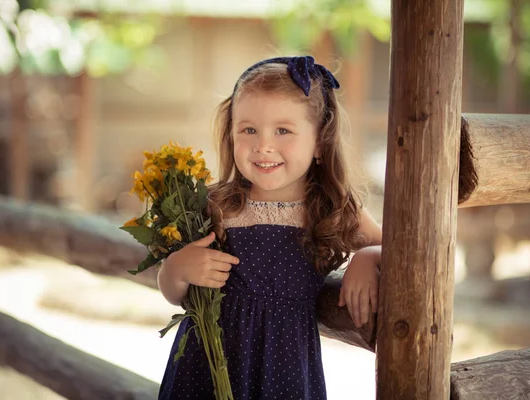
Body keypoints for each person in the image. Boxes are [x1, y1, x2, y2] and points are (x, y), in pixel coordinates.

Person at [157, 55, 382, 400]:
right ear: (231, 135)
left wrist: (368, 256)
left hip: (283, 369)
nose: (263, 146)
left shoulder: (330, 210)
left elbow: (399, 247)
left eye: (283, 130)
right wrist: (177, 268)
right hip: (203, 365)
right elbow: (175, 292)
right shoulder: (215, 206)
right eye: (248, 130)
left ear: (320, 141)